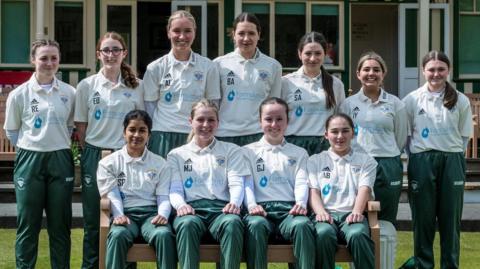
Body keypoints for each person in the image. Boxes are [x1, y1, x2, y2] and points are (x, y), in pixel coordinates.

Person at [74, 31, 144, 269]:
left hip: (126, 156)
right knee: (94, 218)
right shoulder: (86, 86)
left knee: (125, 216)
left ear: (124, 53)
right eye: (107, 50)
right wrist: (96, 152)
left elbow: (141, 124)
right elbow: (82, 129)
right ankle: (91, 266)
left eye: (116, 50)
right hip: (95, 154)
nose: (111, 54)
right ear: (98, 54)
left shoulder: (137, 87)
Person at [3, 39, 76, 268]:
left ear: (59, 60)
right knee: (28, 225)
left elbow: (71, 127)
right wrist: (34, 144)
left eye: (54, 58)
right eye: (43, 57)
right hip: (29, 160)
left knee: (60, 226)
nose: (49, 62)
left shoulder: (69, 92)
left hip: (60, 159)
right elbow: (12, 131)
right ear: (33, 60)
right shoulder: (19, 94)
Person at [401, 51, 473, 269]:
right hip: (422, 161)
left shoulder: (460, 99)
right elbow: (405, 135)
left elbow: (463, 136)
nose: (436, 74)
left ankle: (449, 265)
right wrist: (420, 156)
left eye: (441, 69)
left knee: (450, 221)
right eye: (431, 69)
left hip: (452, 160)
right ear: (423, 71)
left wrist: (447, 154)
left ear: (448, 70)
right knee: (423, 220)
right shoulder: (412, 99)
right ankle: (423, 265)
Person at [168, 99, 249, 269]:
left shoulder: (231, 150)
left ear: (218, 123)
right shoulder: (176, 155)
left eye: (211, 120)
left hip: (221, 211)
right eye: (200, 120)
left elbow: (236, 183)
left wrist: (234, 203)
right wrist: (181, 205)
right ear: (190, 122)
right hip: (192, 211)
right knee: (186, 223)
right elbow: (175, 189)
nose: (206, 124)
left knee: (233, 222)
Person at [96, 110, 176, 269]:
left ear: (149, 135)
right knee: (118, 234)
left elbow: (163, 197)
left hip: (151, 215)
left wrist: (162, 215)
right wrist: (119, 215)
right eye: (132, 129)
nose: (136, 135)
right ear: (124, 132)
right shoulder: (109, 163)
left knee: (164, 234)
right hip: (126, 214)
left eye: (142, 130)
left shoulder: (160, 164)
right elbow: (113, 196)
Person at [243, 97, 315, 269]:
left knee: (303, 225)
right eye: (268, 119)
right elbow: (246, 183)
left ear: (288, 121)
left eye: (279, 119)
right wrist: (252, 205)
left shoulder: (299, 153)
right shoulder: (247, 152)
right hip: (260, 211)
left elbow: (301, 182)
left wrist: (300, 203)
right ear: (260, 121)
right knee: (256, 225)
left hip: (289, 211)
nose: (274, 124)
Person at [340, 51, 407, 225]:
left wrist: (385, 151)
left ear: (383, 74)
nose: (371, 73)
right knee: (356, 216)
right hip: (357, 163)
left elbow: (400, 138)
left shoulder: (395, 104)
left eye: (376, 70)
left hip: (388, 165)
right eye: (366, 69)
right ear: (358, 74)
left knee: (385, 217)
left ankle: (384, 253)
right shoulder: (348, 104)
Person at [143, 10, 220, 157]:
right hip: (163, 135)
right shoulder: (155, 67)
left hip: (195, 135)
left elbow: (213, 104)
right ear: (168, 32)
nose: (182, 36)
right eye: (176, 31)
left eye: (187, 31)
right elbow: (149, 108)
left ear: (195, 33)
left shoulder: (208, 67)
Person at [308, 113, 376, 269]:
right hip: (326, 215)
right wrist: (320, 212)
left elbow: (364, 189)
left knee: (357, 234)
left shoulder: (366, 161)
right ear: (326, 135)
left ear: (353, 132)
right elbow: (314, 192)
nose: (340, 136)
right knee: (323, 233)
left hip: (351, 216)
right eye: (334, 131)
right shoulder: (315, 160)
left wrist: (357, 212)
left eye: (345, 131)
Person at [214, 12, 282, 146]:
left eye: (251, 33)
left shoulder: (273, 66)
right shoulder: (218, 64)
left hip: (259, 136)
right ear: (233, 35)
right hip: (224, 135)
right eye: (241, 33)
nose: (246, 38)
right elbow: (213, 104)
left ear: (259, 34)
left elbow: (274, 106)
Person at [282, 31, 345, 155]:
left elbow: (340, 119)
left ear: (325, 54)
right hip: (293, 145)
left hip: (324, 147)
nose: (313, 58)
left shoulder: (336, 84)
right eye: (308, 53)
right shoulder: (286, 82)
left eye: (318, 53)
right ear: (300, 54)